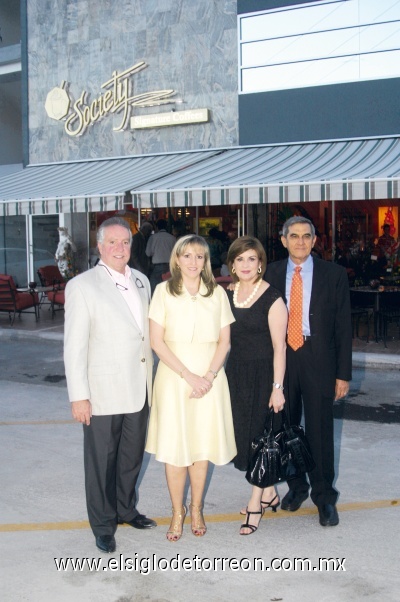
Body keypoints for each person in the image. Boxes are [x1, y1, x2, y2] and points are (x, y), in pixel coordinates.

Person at [64, 217, 156, 554]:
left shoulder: (143, 281)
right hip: (101, 393)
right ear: (100, 247)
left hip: (138, 388)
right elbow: (74, 347)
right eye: (112, 242)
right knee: (101, 461)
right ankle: (103, 525)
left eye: (125, 242)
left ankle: (125, 509)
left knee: (131, 458)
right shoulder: (82, 286)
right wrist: (79, 396)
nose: (120, 248)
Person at [145, 234, 237, 541]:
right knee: (175, 449)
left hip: (210, 380)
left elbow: (225, 341)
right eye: (187, 256)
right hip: (174, 380)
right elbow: (156, 342)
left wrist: (208, 377)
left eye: (199, 256)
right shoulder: (162, 292)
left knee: (201, 447)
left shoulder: (218, 294)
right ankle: (177, 511)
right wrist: (189, 376)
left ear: (206, 260)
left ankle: (196, 507)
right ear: (176, 259)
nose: (193, 262)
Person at [265, 216, 352, 527]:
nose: (300, 241)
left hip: (319, 359)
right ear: (284, 240)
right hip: (283, 358)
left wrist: (343, 374)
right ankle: (297, 486)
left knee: (319, 430)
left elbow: (343, 326)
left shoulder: (334, 274)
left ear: (315, 241)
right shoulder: (271, 273)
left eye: (306, 236)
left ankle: (324, 497)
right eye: (294, 236)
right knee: (286, 429)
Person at [225, 236, 287, 535]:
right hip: (235, 375)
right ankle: (270, 492)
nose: (246, 265)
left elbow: (280, 348)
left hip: (263, 376)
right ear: (232, 264)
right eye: (240, 259)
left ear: (260, 263)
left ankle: (254, 503)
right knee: (242, 437)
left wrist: (278, 387)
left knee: (259, 438)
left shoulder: (272, 297)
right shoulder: (228, 294)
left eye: (251, 259)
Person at [146, 218, 176, 294]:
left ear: (157, 227)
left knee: (154, 290)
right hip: (169, 267)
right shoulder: (172, 238)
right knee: (169, 290)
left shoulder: (153, 237)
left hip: (157, 267)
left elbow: (148, 253)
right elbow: (176, 254)